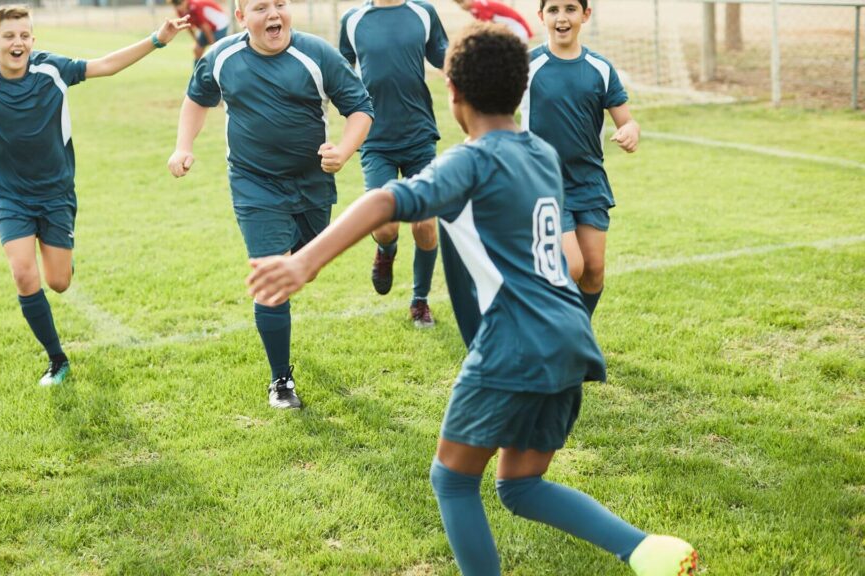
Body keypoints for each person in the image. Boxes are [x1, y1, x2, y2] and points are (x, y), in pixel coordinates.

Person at [246, 22, 696, 576]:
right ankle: (646, 549)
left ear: (453, 95)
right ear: (521, 89)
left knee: (452, 480)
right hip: (570, 336)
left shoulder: (471, 160)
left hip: (513, 342)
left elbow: (386, 199)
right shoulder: (540, 153)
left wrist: (303, 260)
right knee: (520, 486)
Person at [0, 1, 190, 386]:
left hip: (56, 194)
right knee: (23, 273)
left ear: (33, 40)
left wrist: (157, 39)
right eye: (8, 36)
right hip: (11, 197)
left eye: (24, 35)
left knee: (58, 282)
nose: (17, 42)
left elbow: (105, 64)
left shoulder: (51, 69)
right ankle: (57, 360)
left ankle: (62, 259)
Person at [167, 0, 373, 409]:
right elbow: (196, 99)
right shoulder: (222, 57)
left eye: (280, 4)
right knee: (273, 276)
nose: (274, 14)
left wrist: (345, 151)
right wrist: (182, 147)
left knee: (303, 272)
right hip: (254, 183)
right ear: (241, 18)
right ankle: (281, 381)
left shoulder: (317, 55)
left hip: (313, 184)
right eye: (261, 7)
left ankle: (292, 270)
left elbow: (361, 109)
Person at [521, 0, 639, 318]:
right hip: (543, 181)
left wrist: (631, 130)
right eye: (554, 9)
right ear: (541, 16)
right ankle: (554, 336)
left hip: (589, 181)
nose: (562, 17)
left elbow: (625, 120)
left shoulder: (601, 68)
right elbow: (497, 112)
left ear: (585, 15)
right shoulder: (526, 66)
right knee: (571, 265)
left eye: (570, 9)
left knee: (594, 270)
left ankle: (577, 336)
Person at [339, 0, 447, 328]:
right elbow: (339, 75)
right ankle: (386, 251)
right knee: (384, 224)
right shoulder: (353, 20)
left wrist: (470, 65)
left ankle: (420, 301)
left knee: (425, 225)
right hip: (375, 140)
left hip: (419, 137)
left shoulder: (423, 13)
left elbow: (445, 57)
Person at [453, 0, 532, 43]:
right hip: (511, 30)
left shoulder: (479, 6)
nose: (461, 6)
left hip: (518, 29)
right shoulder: (475, 8)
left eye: (462, 2)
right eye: (458, 4)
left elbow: (486, 27)